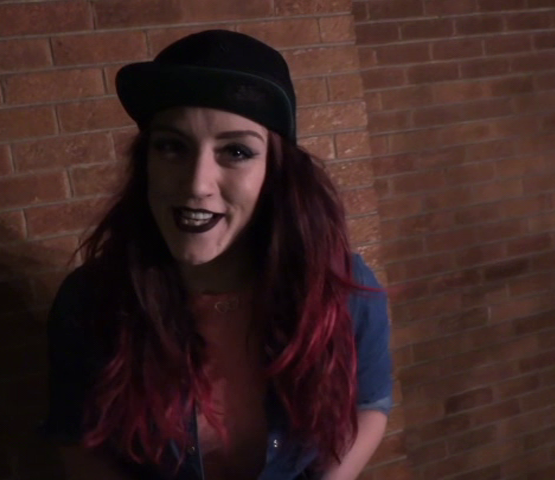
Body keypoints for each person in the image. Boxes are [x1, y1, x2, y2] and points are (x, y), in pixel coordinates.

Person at [41, 30, 393, 480]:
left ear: (276, 173)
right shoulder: (91, 301)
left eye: (236, 151)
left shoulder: (342, 289)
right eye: (172, 146)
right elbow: (77, 438)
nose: (196, 183)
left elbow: (370, 403)